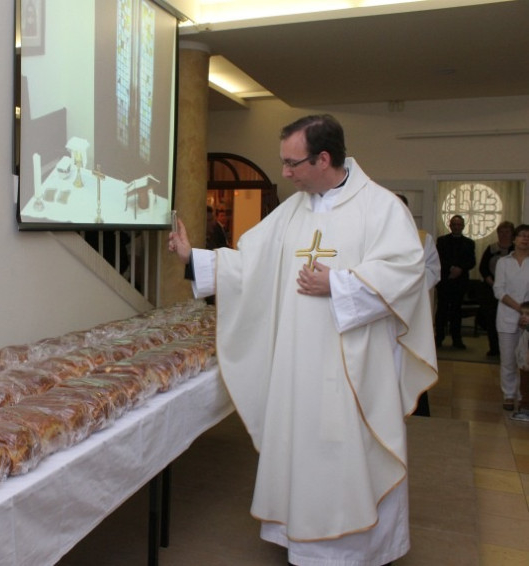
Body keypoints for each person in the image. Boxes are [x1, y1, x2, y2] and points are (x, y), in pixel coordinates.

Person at [168, 114, 436, 566]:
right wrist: (193, 258)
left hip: (353, 365)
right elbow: (250, 264)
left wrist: (340, 283)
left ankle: (359, 551)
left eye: (293, 164)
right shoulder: (294, 209)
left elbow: (406, 271)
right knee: (303, 447)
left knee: (350, 453)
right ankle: (304, 544)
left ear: (323, 158)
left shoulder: (381, 207)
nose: (285, 173)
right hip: (298, 363)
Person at [398, 193, 440, 417]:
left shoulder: (423, 238)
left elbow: (433, 270)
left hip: (411, 309)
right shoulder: (369, 234)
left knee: (410, 358)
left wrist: (410, 287)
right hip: (380, 312)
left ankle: (416, 408)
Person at [493, 224, 529, 412]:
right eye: (521, 235)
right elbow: (499, 290)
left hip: (528, 318)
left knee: (526, 360)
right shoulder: (503, 262)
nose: (525, 239)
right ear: (514, 239)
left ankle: (524, 396)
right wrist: (520, 308)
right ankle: (509, 394)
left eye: (528, 236)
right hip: (507, 316)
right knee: (508, 359)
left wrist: (526, 313)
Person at [434, 215, 476, 349]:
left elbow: (472, 261)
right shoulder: (442, 241)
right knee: (442, 310)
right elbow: (438, 258)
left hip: (460, 282)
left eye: (459, 224)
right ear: (450, 225)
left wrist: (460, 269)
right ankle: (438, 338)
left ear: (463, 226)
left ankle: (457, 339)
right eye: (454, 224)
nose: (457, 227)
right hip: (445, 281)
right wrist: (451, 268)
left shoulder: (469, 243)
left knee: (456, 311)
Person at [478, 221, 515, 356]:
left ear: (512, 234)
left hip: (511, 292)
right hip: (491, 290)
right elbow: (483, 268)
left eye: (507, 232)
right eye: (501, 232)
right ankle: (494, 348)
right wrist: (492, 283)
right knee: (492, 319)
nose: (504, 235)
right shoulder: (491, 248)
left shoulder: (516, 250)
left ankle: (509, 349)